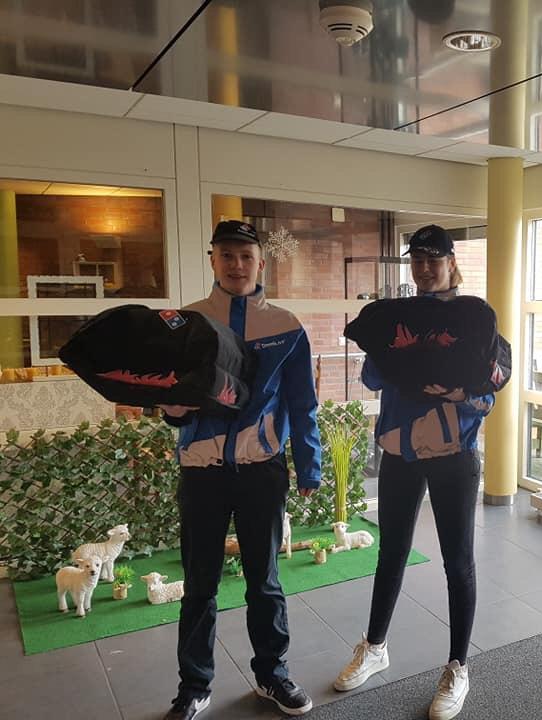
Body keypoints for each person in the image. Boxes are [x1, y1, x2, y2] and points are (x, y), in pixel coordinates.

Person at [333, 224, 501, 720]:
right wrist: (392, 354)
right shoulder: (395, 321)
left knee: (457, 562)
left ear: (451, 264)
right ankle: (375, 647)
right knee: (392, 551)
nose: (425, 268)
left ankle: (458, 667)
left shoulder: (475, 320)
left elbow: (488, 395)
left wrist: (458, 393)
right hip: (401, 453)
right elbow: (371, 377)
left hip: (454, 454)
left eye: (434, 259)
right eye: (418, 260)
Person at [158, 220, 323, 720]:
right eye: (226, 255)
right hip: (202, 472)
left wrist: (309, 466)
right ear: (212, 259)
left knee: (264, 582)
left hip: (260, 470)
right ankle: (194, 687)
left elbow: (303, 403)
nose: (236, 265)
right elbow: (171, 401)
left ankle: (273, 675)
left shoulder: (285, 326)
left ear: (260, 263)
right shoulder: (186, 322)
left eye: (245, 256)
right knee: (199, 585)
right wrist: (174, 409)